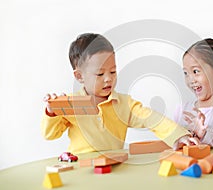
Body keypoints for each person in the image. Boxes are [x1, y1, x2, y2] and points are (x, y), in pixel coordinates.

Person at [41, 33, 199, 154]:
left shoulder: (124, 104)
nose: (108, 79)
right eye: (100, 74)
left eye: (113, 71)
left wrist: (179, 136)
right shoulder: (71, 103)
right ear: (79, 76)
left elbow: (152, 119)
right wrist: (51, 112)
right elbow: (50, 135)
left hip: (112, 167)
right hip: (79, 169)